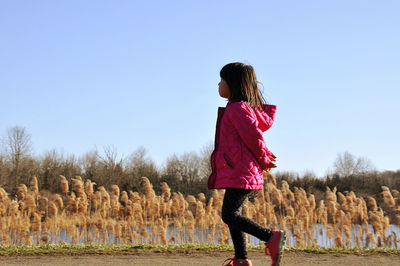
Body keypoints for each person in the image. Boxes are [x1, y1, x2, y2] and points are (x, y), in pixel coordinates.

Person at [208, 62, 285, 266]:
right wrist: (265, 155)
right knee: (235, 215)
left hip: (240, 170)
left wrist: (264, 158)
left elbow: (253, 137)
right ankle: (241, 259)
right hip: (237, 169)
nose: (218, 84)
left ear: (232, 84)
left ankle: (270, 237)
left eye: (221, 81)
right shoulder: (239, 109)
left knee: (230, 215)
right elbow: (251, 137)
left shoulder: (237, 109)